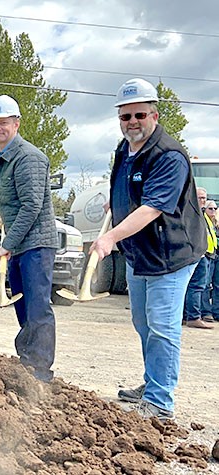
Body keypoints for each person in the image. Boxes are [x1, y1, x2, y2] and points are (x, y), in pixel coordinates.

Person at [92, 78, 205, 420]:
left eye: (139, 115)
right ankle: (153, 381)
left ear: (154, 115)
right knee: (143, 323)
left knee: (162, 325)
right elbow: (123, 188)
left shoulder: (170, 156)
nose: (132, 122)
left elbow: (152, 207)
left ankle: (160, 401)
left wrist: (111, 237)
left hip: (171, 254)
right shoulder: (123, 149)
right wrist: (114, 202)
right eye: (125, 117)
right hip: (139, 253)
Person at [0, 94, 59, 383]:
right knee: (23, 304)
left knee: (37, 306)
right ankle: (28, 362)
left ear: (16, 123)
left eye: (3, 122)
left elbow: (32, 206)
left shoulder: (28, 157)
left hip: (36, 245)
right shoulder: (5, 156)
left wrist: (7, 244)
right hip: (23, 244)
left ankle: (40, 370)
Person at [183, 187, 216, 329]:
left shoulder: (201, 213)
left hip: (205, 254)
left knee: (197, 286)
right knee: (196, 286)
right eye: (200, 198)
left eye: (204, 198)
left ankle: (187, 316)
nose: (203, 201)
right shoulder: (191, 212)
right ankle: (193, 317)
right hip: (197, 254)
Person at [202, 199, 219, 323]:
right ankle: (206, 312)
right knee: (206, 285)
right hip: (207, 254)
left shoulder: (214, 223)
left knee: (216, 285)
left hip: (214, 254)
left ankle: (216, 311)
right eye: (210, 208)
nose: (213, 211)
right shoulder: (203, 220)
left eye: (215, 208)